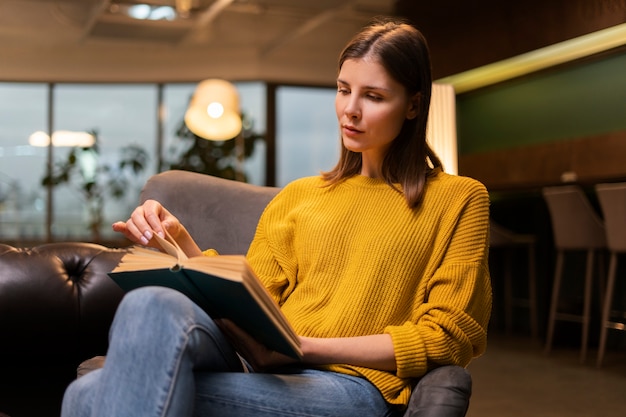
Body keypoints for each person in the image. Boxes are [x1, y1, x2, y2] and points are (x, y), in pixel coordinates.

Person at [62, 17, 491, 417]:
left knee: (87, 396)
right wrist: (182, 244)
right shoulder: (300, 195)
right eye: (343, 90)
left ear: (414, 106)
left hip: (352, 386)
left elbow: (450, 337)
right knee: (150, 301)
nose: (350, 110)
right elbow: (252, 299)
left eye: (373, 96)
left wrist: (304, 348)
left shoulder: (458, 199)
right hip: (261, 365)